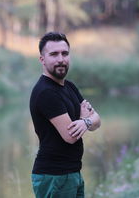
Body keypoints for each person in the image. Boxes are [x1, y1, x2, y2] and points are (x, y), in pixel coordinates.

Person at [29, 32, 101, 198]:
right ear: (42, 59)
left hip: (72, 172)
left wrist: (86, 122)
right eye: (54, 54)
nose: (61, 59)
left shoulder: (69, 86)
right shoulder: (45, 92)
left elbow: (97, 121)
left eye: (65, 53)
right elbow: (70, 136)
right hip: (54, 175)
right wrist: (85, 120)